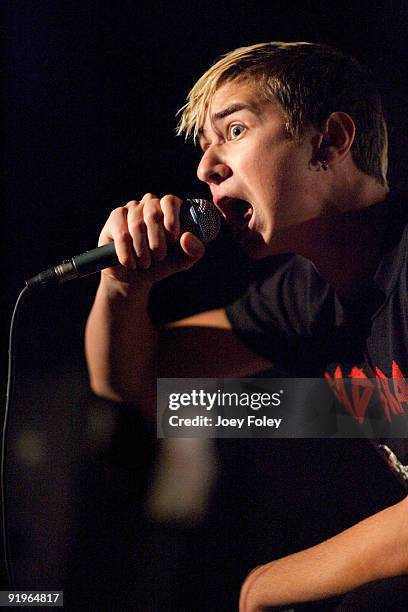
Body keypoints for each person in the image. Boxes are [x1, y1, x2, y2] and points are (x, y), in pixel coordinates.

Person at [85, 42, 408, 610]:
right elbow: (132, 382)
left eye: (233, 130)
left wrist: (267, 585)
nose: (206, 168)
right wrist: (123, 286)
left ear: (330, 142)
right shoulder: (307, 296)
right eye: (205, 148)